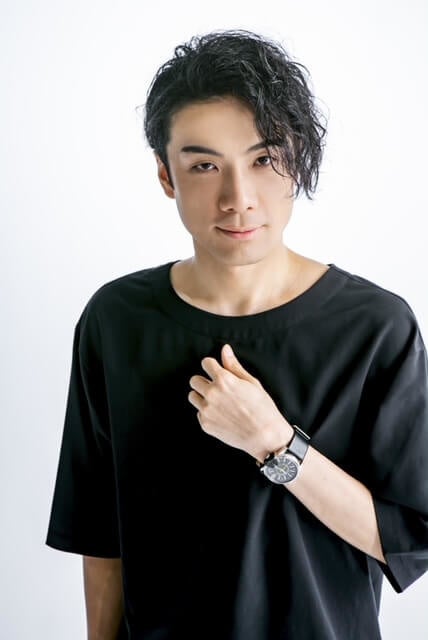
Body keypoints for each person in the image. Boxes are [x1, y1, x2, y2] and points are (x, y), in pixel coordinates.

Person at [46, 29, 428, 640]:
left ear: (297, 161)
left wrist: (276, 444)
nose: (238, 198)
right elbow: (101, 535)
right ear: (166, 176)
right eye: (204, 166)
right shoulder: (115, 321)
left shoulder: (375, 327)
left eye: (264, 159)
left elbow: (407, 537)